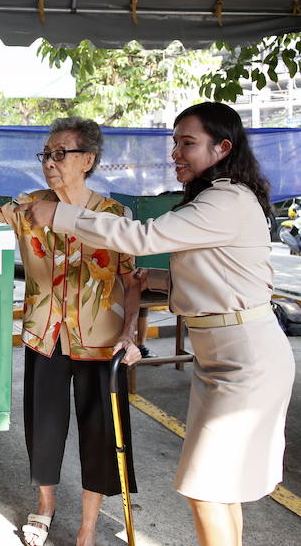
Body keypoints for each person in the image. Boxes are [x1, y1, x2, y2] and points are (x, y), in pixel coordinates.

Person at [16, 102, 294, 546]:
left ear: (223, 148)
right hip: (220, 355)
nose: (175, 153)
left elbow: (140, 238)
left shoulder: (225, 199)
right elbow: (218, 275)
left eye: (188, 143)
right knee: (221, 492)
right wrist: (164, 280)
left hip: (243, 358)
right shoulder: (216, 197)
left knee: (207, 489)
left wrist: (61, 216)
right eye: (174, 142)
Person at [0, 116, 141, 546]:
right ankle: (45, 504)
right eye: (47, 154)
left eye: (62, 154)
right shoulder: (29, 206)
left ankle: (89, 526)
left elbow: (133, 280)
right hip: (45, 336)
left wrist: (130, 333)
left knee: (100, 433)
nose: (50, 163)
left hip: (101, 340)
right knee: (43, 427)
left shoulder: (114, 216)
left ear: (88, 160)